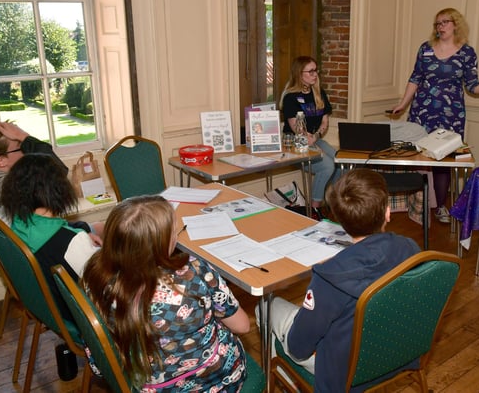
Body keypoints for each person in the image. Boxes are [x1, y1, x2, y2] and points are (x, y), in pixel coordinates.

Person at [265, 169, 421, 392]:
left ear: (340, 222)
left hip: (345, 370)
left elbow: (298, 347)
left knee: (267, 306)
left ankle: (292, 382)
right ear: (387, 213)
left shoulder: (330, 277)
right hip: (398, 353)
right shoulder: (410, 249)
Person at [82, 195, 251, 392]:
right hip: (210, 382)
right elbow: (243, 325)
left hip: (141, 383)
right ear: (160, 243)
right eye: (174, 232)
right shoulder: (195, 273)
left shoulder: (95, 274)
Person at [391, 7, 479, 223]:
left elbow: (472, 84)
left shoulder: (467, 52)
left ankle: (439, 207)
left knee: (443, 161)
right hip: (422, 111)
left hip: (451, 114)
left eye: (445, 22)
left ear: (456, 24)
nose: (440, 27)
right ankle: (417, 206)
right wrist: (403, 104)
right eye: (437, 23)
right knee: (418, 158)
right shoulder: (425, 49)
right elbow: (415, 78)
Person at [0, 153, 100, 319]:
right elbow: (102, 285)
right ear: (59, 190)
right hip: (81, 316)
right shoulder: (73, 242)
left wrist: (82, 234)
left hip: (47, 308)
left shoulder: (17, 224)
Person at [0, 121, 103, 241]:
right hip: (43, 243)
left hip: (35, 234)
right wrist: (25, 137)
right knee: (105, 229)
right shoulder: (7, 185)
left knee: (100, 227)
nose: (27, 152)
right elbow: (57, 176)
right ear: (1, 161)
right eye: (21, 147)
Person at [280, 55, 339, 215]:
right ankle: (314, 209)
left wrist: (316, 137)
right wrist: (310, 139)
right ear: (300, 74)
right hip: (294, 142)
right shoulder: (290, 97)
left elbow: (325, 122)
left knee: (340, 161)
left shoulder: (319, 93)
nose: (315, 74)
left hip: (314, 138)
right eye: (310, 71)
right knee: (327, 165)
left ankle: (337, 202)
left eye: (316, 70)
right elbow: (296, 128)